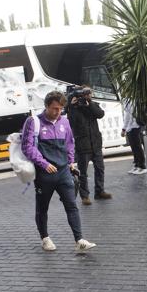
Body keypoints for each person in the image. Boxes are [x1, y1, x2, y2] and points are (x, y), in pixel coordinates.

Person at [21, 91, 97, 253]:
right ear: (47, 106)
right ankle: (45, 238)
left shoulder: (65, 122)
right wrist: (43, 163)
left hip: (63, 173)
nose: (58, 112)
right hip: (44, 174)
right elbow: (27, 147)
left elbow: (69, 144)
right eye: (55, 108)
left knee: (72, 206)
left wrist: (70, 162)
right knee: (42, 208)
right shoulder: (33, 122)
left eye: (61, 108)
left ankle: (79, 240)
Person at [66, 86, 112, 205]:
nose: (85, 96)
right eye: (83, 95)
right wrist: (72, 107)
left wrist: (89, 102)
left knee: (100, 169)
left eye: (87, 94)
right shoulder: (73, 108)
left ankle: (100, 191)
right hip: (83, 145)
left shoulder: (91, 104)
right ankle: (84, 196)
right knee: (83, 172)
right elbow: (71, 122)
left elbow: (100, 114)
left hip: (95, 143)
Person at [121, 100, 146, 175]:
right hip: (131, 127)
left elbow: (129, 116)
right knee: (134, 147)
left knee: (136, 147)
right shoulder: (127, 99)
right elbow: (128, 115)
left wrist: (124, 128)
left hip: (134, 126)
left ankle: (142, 166)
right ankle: (137, 165)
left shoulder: (130, 100)